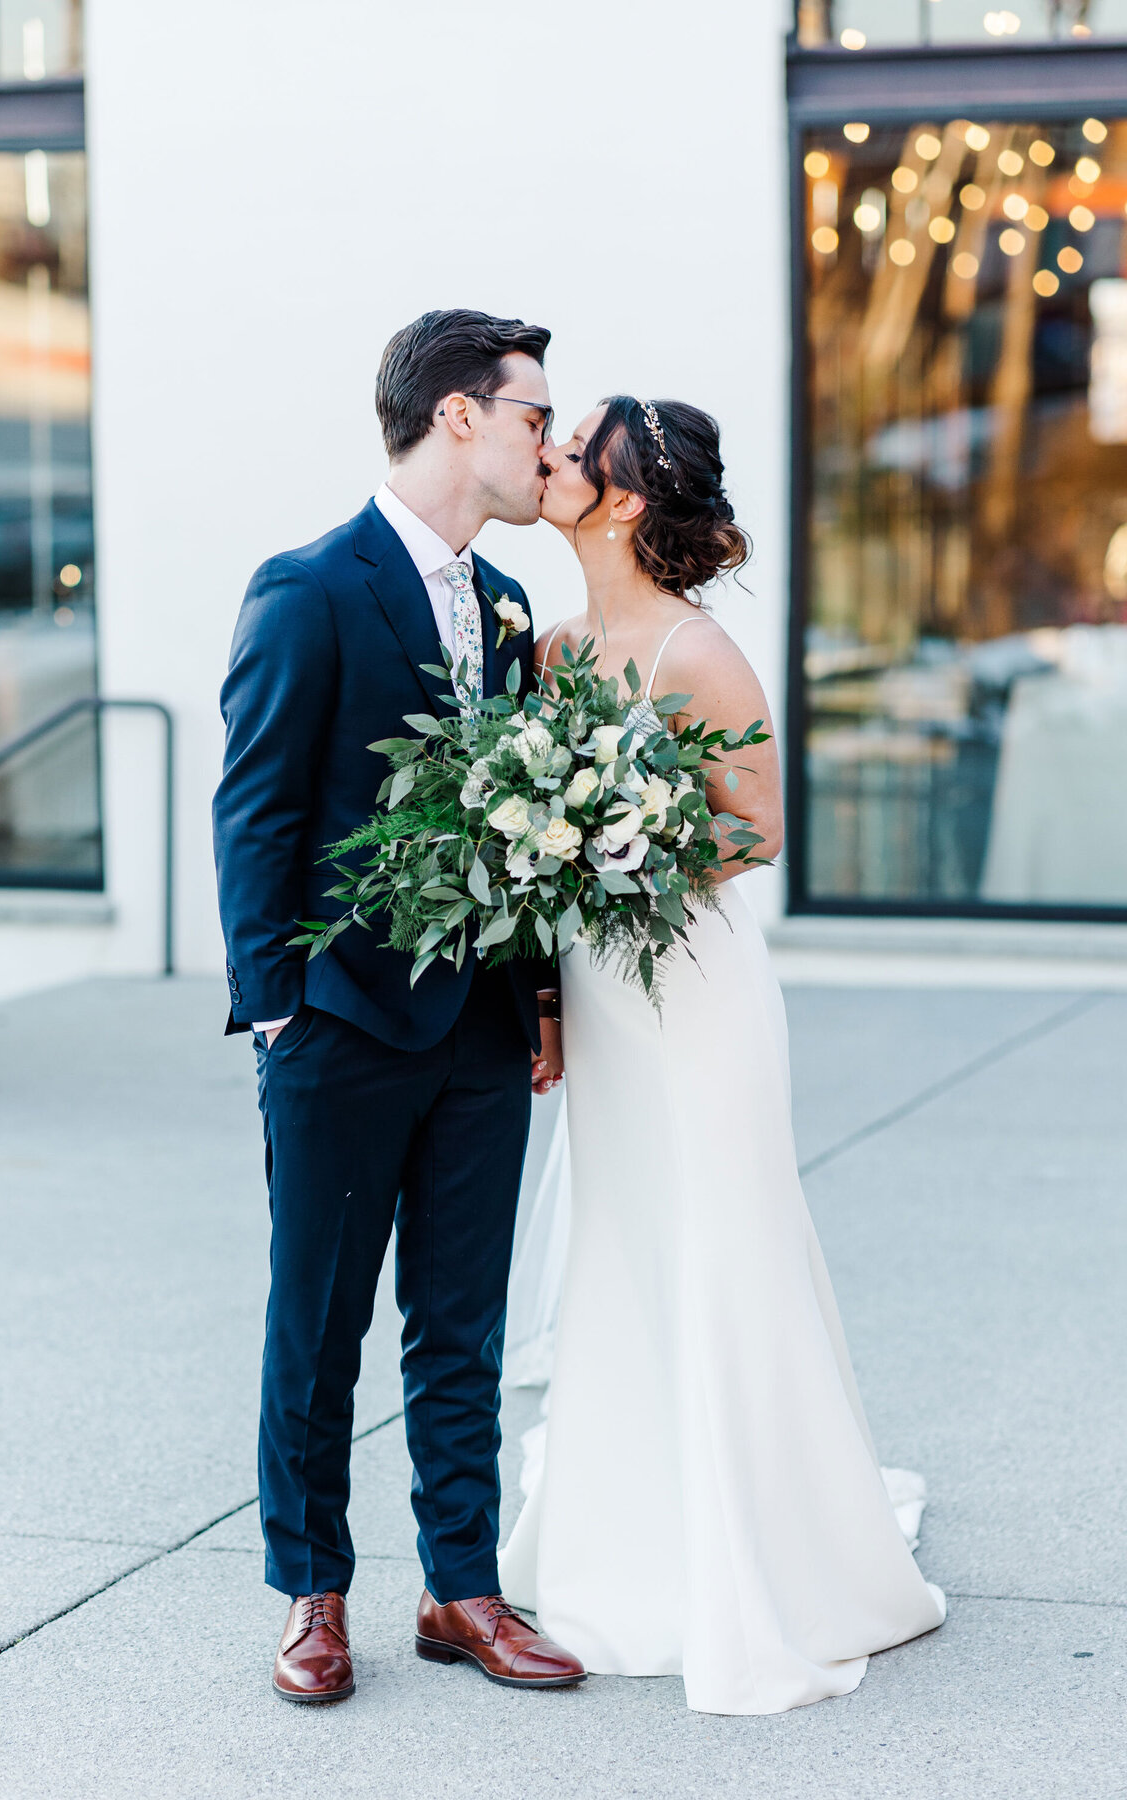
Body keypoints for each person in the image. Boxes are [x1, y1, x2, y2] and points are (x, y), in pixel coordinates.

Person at [497, 395, 946, 1714]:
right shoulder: (556, 650)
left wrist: (618, 839)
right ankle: (628, 1531)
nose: (553, 459)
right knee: (625, 1239)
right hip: (600, 982)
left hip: (694, 986)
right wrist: (549, 993)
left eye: (575, 452)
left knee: (723, 1235)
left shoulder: (697, 652)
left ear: (624, 499)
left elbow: (757, 830)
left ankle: (769, 1556)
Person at [212, 309, 584, 1703]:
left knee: (462, 1322)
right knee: (317, 1325)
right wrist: (277, 1011)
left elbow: (527, 828)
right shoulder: (307, 587)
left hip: (481, 1032)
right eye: (535, 414)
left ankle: (463, 1589)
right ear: (461, 418)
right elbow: (255, 808)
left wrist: (538, 1002)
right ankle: (312, 1593)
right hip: (342, 1022)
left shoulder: (504, 611)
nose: (548, 437)